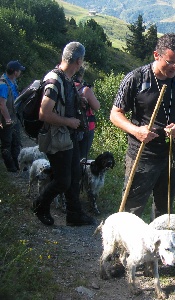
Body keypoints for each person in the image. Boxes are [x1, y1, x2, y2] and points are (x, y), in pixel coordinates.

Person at [110, 33, 175, 218]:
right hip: (142, 154)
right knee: (132, 209)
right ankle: (127, 246)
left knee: (164, 211)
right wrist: (137, 131)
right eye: (171, 62)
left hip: (171, 155)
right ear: (156, 55)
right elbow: (115, 114)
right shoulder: (136, 78)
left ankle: (158, 246)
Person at [32, 41, 95, 226]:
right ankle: (40, 205)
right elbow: (44, 113)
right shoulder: (55, 80)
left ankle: (74, 215)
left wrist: (79, 104)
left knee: (75, 175)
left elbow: (63, 105)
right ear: (78, 61)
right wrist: (69, 121)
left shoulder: (66, 78)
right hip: (57, 137)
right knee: (62, 181)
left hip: (69, 136)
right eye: (81, 61)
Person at [0, 60, 25, 172]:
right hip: (6, 118)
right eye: (19, 70)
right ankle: (10, 166)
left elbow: (15, 98)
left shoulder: (13, 82)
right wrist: (7, 119)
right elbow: (1, 104)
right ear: (15, 72)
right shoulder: (3, 84)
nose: (20, 72)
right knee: (7, 143)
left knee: (16, 141)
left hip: (14, 117)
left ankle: (17, 163)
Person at [72, 66, 100, 159]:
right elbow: (97, 107)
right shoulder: (85, 90)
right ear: (81, 75)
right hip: (85, 126)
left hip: (68, 125)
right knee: (81, 158)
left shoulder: (65, 85)